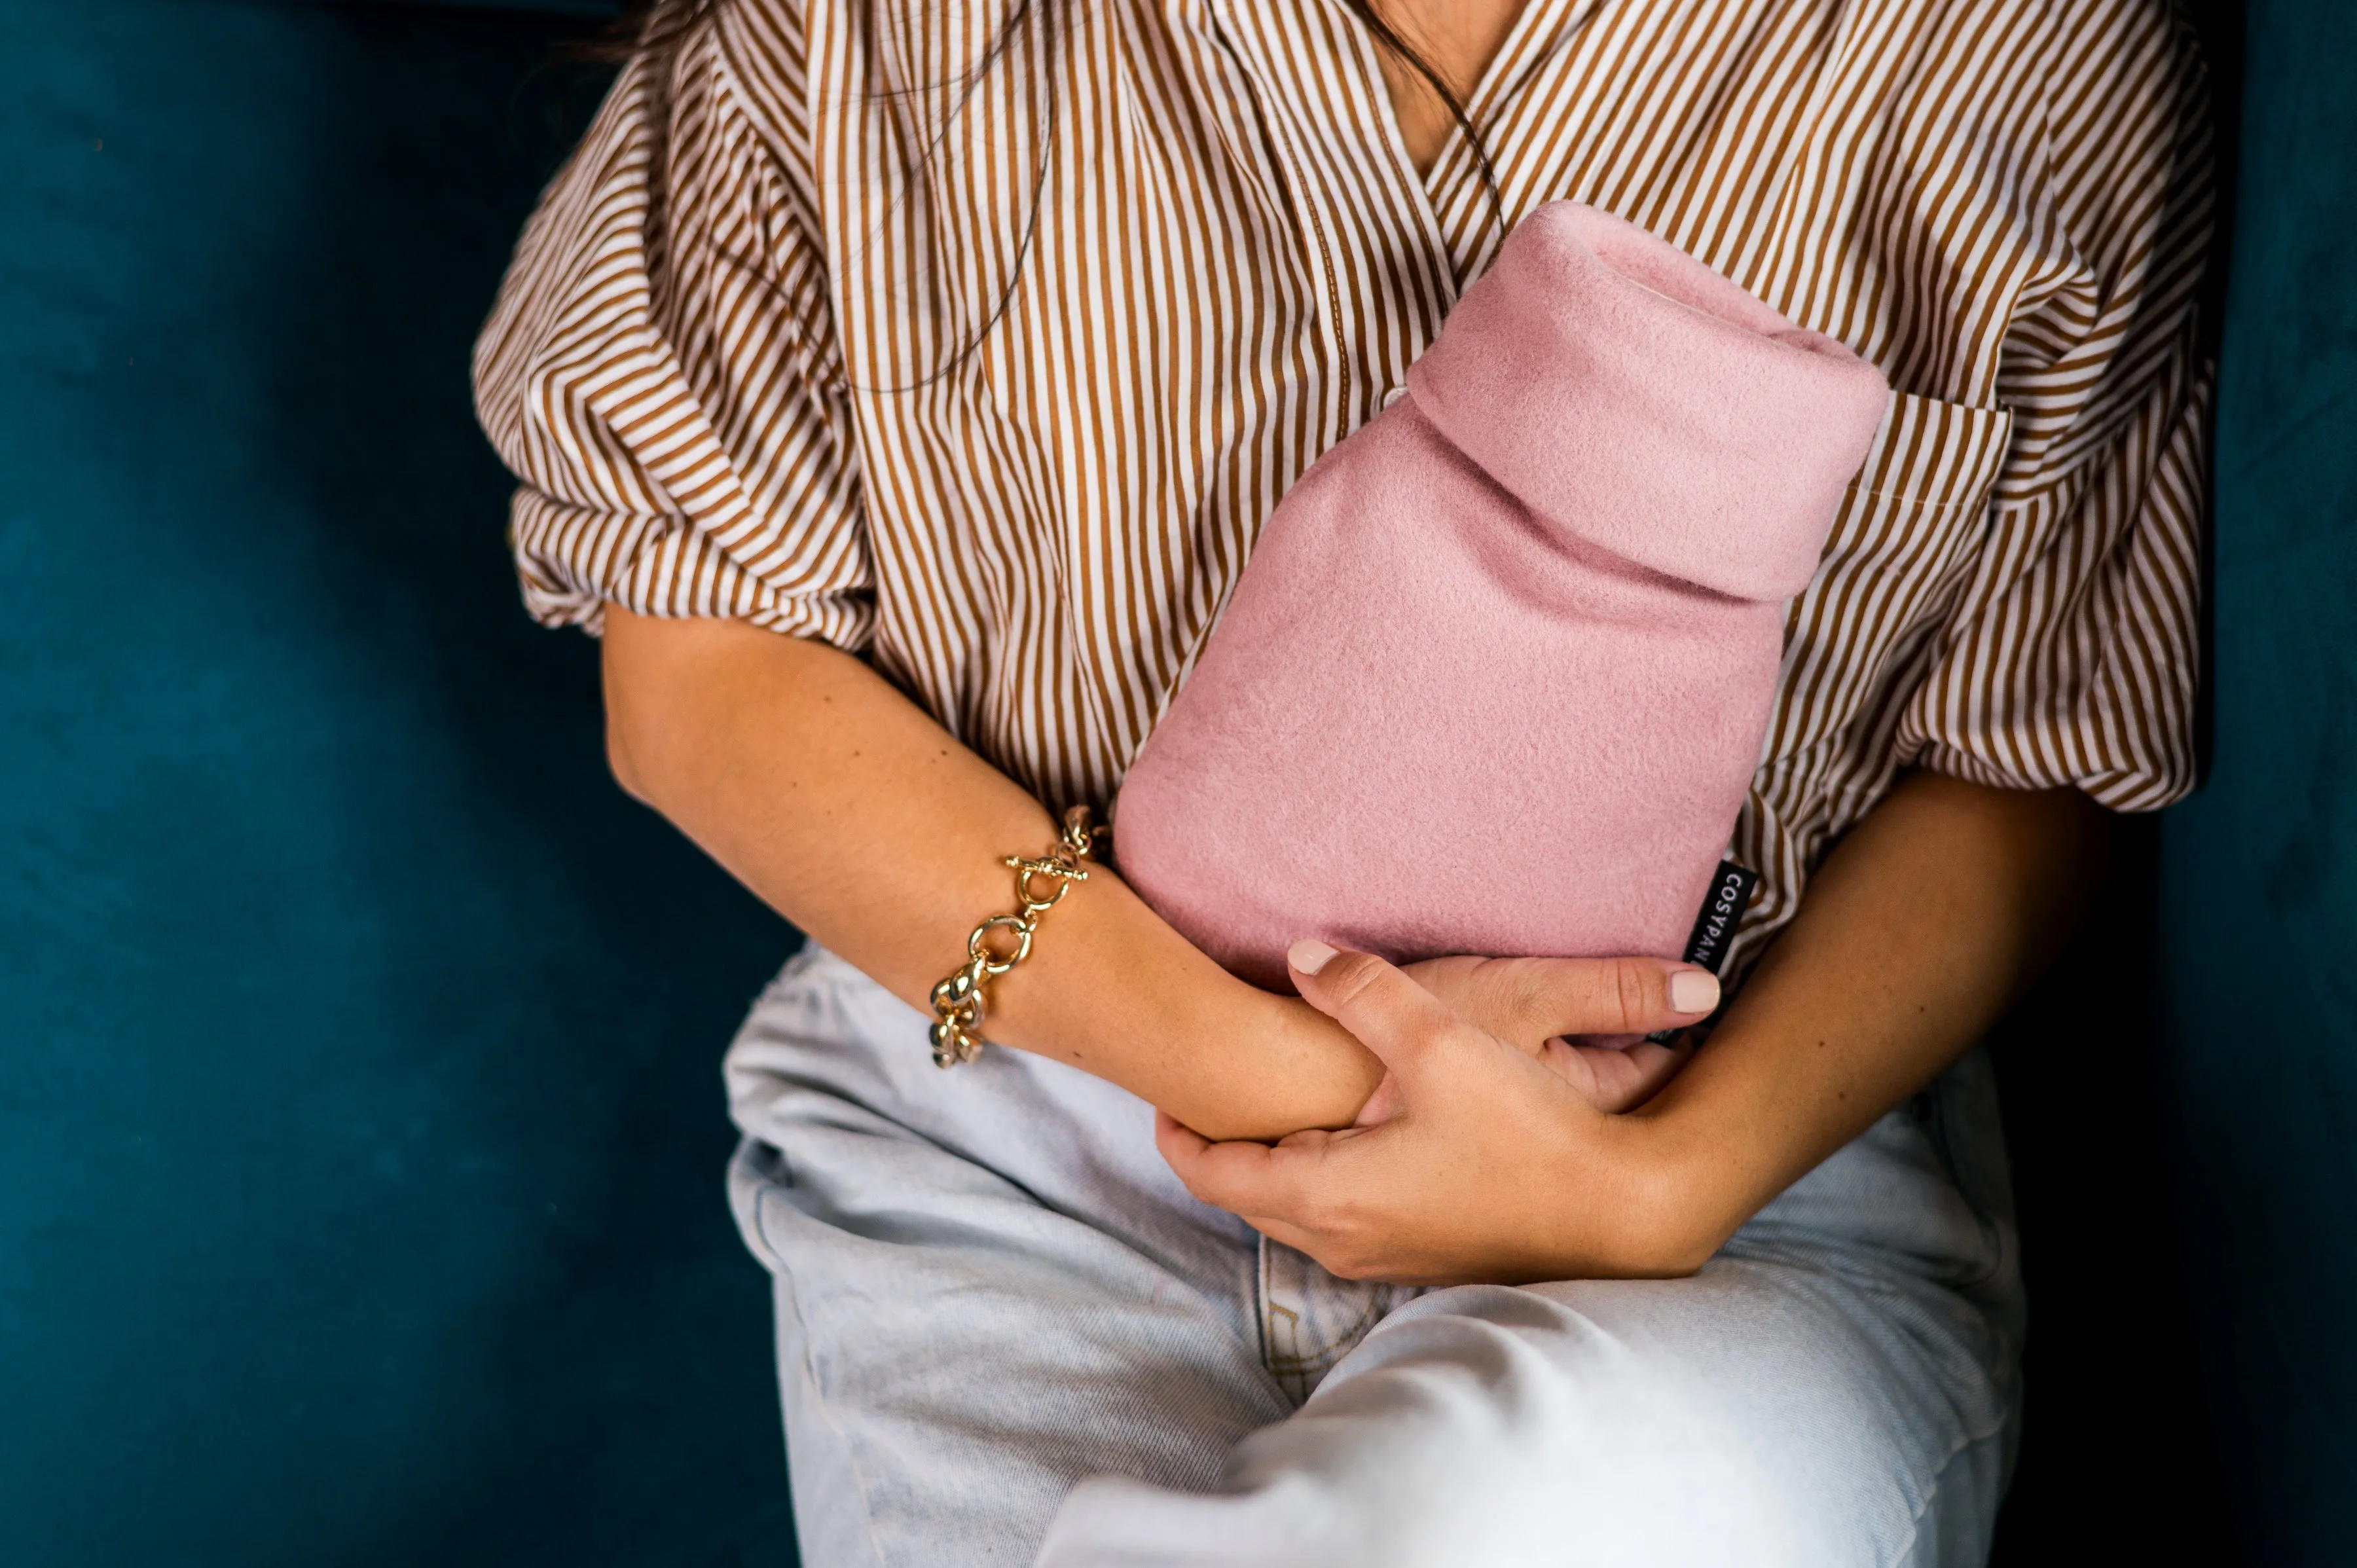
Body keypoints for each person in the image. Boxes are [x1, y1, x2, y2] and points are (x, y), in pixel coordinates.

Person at [472, 0, 2214, 1561]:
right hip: (1019, 1139)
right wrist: (1255, 1060)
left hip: (1724, 1145)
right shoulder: (842, 46)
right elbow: (702, 685)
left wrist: (1662, 1182)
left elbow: (2035, 755)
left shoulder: (2033, 61)